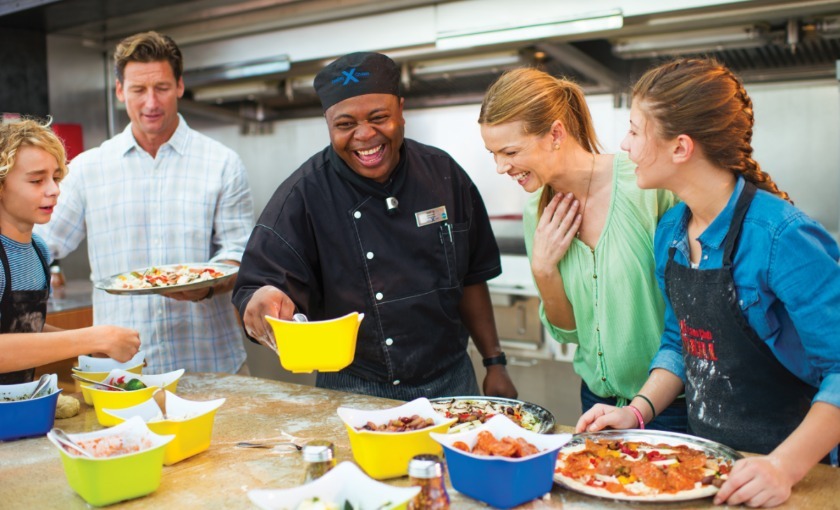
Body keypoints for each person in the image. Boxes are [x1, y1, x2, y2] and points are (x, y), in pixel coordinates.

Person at [577, 58, 840, 507]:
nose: (625, 144)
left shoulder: (781, 237)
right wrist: (635, 412)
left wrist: (783, 466)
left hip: (792, 475)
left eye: (636, 130)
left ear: (681, 147)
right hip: (711, 464)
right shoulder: (672, 233)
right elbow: (682, 342)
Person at [233, 51, 517, 400]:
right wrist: (260, 300)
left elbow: (472, 278)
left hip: (452, 382)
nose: (364, 135)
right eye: (345, 124)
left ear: (401, 110)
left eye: (379, 117)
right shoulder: (303, 195)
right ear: (328, 123)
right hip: (353, 389)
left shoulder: (443, 175)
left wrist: (495, 363)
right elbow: (256, 287)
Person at [478, 68, 685, 432]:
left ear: (556, 133)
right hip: (596, 403)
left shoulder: (647, 185)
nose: (500, 167)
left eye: (510, 151)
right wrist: (543, 269)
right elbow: (570, 333)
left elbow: (691, 315)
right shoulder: (536, 211)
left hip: (672, 405)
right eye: (493, 154)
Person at [35, 31, 255, 374]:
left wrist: (205, 286)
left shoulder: (222, 163)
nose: (151, 103)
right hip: (123, 373)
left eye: (162, 88)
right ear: (121, 91)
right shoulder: (87, 169)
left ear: (180, 86)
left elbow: (240, 253)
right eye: (138, 90)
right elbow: (39, 244)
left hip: (212, 364)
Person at [0, 119, 140, 384]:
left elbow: (27, 328)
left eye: (55, 177)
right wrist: (90, 338)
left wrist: (89, 346)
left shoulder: (39, 251)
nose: (54, 190)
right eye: (37, 180)